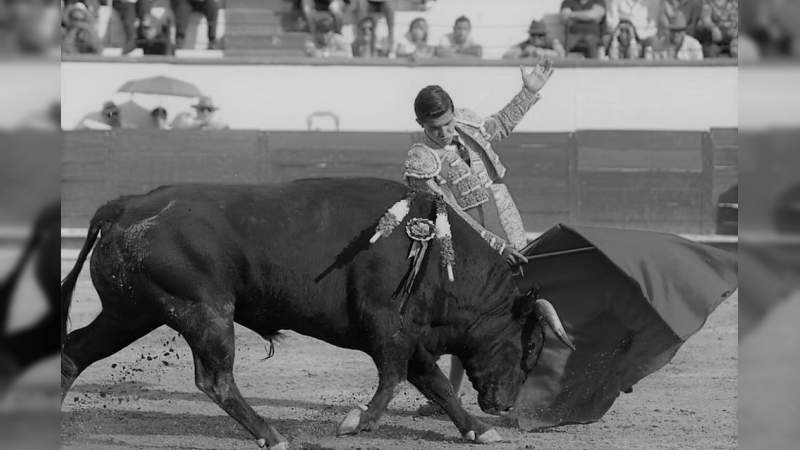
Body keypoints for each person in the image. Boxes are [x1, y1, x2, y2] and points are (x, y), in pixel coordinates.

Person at [404, 58, 555, 415]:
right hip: (465, 245)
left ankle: (519, 387)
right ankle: (448, 397)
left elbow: (499, 125)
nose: (444, 132)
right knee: (464, 319)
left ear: (455, 112)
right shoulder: (421, 158)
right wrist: (494, 244)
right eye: (435, 127)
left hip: (508, 224)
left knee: (510, 314)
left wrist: (528, 92)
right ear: (420, 124)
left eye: (447, 122)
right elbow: (449, 212)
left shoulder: (468, 123)